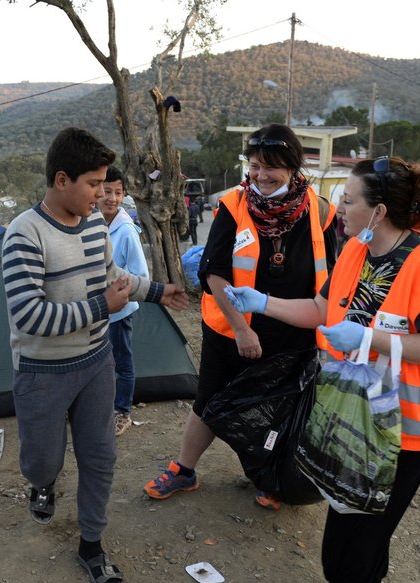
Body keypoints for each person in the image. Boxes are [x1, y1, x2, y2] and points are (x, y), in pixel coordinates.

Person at [228, 155, 420, 583]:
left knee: (360, 518)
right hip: (355, 407)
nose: (339, 206)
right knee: (362, 508)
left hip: (409, 423)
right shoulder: (356, 252)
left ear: (378, 212)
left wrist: (367, 339)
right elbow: (322, 309)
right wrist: (263, 303)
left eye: (349, 199)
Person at [1, 127, 188, 583]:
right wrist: (101, 307)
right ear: (61, 179)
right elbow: (29, 316)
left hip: (95, 363)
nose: (103, 195)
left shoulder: (93, 225)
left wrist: (158, 292)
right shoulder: (25, 234)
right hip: (42, 373)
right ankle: (42, 484)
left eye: (106, 185)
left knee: (100, 457)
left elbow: (113, 276)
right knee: (43, 462)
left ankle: (91, 544)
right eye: (93, 185)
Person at [143, 124, 338, 510]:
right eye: (254, 166)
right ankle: (184, 469)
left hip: (293, 329)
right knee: (210, 400)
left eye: (271, 168)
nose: (261, 176)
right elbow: (214, 273)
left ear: (294, 167)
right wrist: (242, 329)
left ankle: (272, 477)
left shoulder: (321, 211)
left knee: (281, 405)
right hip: (232, 331)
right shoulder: (235, 204)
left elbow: (331, 278)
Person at [98, 166, 149, 436]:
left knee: (122, 360)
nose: (112, 198)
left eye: (118, 193)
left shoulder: (127, 231)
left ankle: (123, 411)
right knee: (100, 362)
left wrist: (116, 292)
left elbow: (141, 275)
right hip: (96, 311)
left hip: (118, 311)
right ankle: (103, 407)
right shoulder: (92, 223)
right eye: (107, 191)